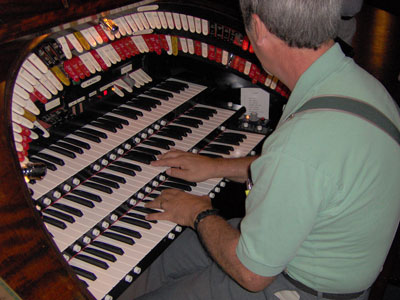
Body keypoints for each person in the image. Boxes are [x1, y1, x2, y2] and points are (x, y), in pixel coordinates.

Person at [131, 0, 400, 299]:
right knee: (156, 261)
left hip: (296, 285)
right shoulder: (362, 87)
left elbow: (252, 275)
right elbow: (308, 173)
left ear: (257, 28)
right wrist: (215, 166)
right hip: (304, 247)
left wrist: (197, 212)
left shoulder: (301, 142)